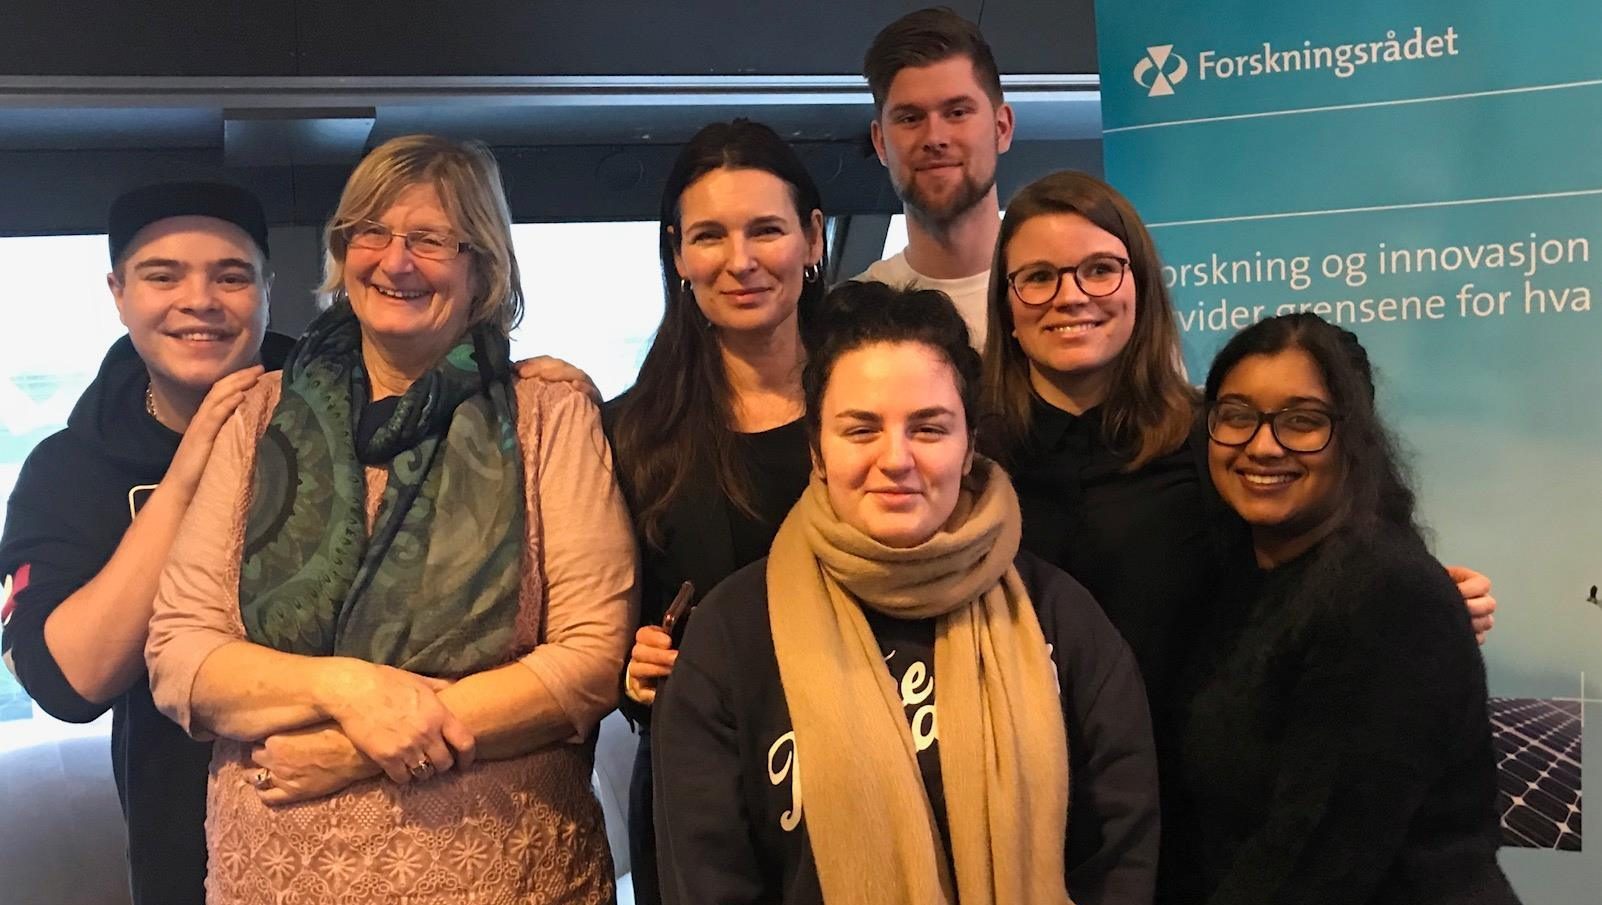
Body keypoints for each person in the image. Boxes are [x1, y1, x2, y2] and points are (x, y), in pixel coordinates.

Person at [144, 134, 636, 904]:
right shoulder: (256, 415)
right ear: (344, 253)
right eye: (371, 232)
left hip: (502, 876)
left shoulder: (549, 416)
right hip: (275, 879)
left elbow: (587, 662)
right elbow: (182, 656)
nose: (395, 260)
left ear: (483, 265)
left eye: (431, 239)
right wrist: (349, 690)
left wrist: (357, 751)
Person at [652, 281, 1159, 905]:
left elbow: (1120, 852)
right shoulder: (730, 636)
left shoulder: (1059, 616)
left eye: (929, 428)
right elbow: (706, 877)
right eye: (861, 430)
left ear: (970, 446)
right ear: (816, 448)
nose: (896, 458)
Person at [0, 181, 289, 905]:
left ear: (266, 290)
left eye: (231, 275)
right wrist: (193, 468)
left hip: (394, 834)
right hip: (187, 857)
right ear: (119, 292)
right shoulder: (69, 468)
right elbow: (70, 681)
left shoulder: (342, 412)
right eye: (163, 275)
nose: (200, 299)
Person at [1167, 312, 1520, 904]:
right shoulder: (1244, 578)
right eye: (1236, 416)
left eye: (1302, 421)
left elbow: (1315, 860)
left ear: (1353, 438)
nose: (1261, 444)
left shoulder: (1388, 596)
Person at [605, 118, 825, 905]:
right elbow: (604, 646)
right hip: (706, 804)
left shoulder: (880, 403)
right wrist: (631, 671)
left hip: (879, 761)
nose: (740, 261)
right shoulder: (626, 433)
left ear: (813, 239)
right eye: (709, 235)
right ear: (677, 255)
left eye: (766, 229)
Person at [852, 6, 1013, 347]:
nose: (934, 138)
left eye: (957, 112)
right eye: (910, 118)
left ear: (1002, 127)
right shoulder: (852, 317)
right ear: (880, 142)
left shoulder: (1064, 298)